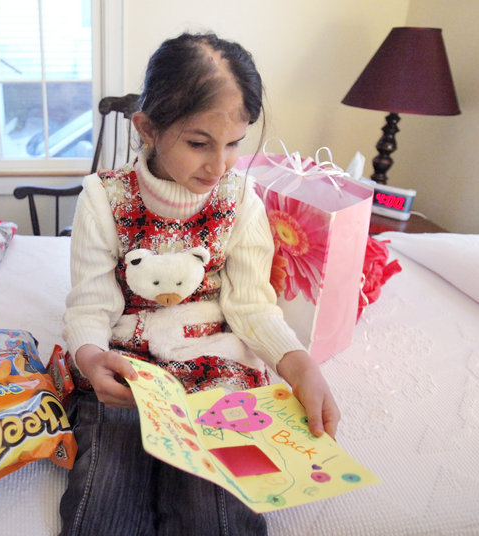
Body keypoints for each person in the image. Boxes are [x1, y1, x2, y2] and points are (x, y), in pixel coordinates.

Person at [59, 32, 340, 536]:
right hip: (128, 369)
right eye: (198, 144)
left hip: (218, 367)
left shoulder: (242, 199)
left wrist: (297, 365)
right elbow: (89, 304)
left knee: (216, 512)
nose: (219, 165)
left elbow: (252, 305)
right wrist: (88, 356)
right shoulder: (104, 198)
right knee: (103, 504)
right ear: (147, 128)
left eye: (234, 144)